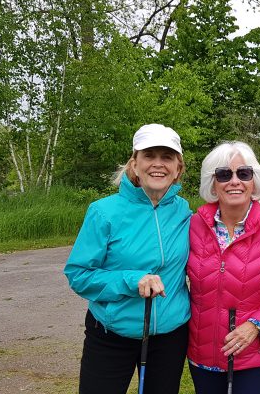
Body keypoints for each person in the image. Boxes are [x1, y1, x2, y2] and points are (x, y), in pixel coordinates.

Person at [64, 123, 191, 394]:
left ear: (178, 168)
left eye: (167, 157)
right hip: (111, 334)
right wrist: (132, 280)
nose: (158, 164)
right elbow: (78, 274)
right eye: (149, 156)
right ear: (134, 164)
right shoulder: (103, 212)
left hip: (169, 337)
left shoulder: (184, 212)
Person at [187, 141, 260, 394]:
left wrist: (256, 325)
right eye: (224, 174)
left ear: (254, 181)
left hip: (251, 353)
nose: (234, 181)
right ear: (212, 183)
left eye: (243, 173)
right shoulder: (192, 226)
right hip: (203, 355)